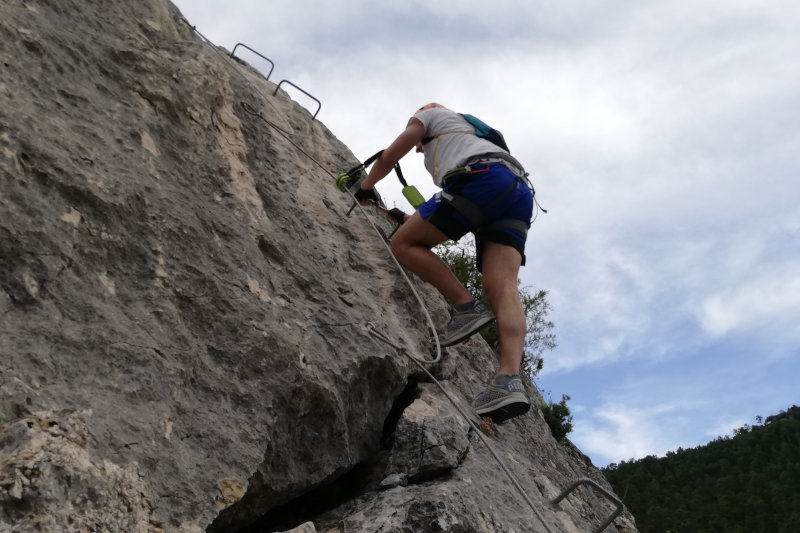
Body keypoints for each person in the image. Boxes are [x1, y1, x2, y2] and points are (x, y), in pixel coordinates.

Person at [355, 103, 535, 423]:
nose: (418, 148)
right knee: (502, 286)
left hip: (480, 178)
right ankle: (508, 378)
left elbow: (391, 153)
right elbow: (452, 214)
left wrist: (365, 188)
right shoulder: (473, 136)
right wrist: (410, 218)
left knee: (403, 244)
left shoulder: (431, 114)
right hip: (517, 190)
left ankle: (466, 307)